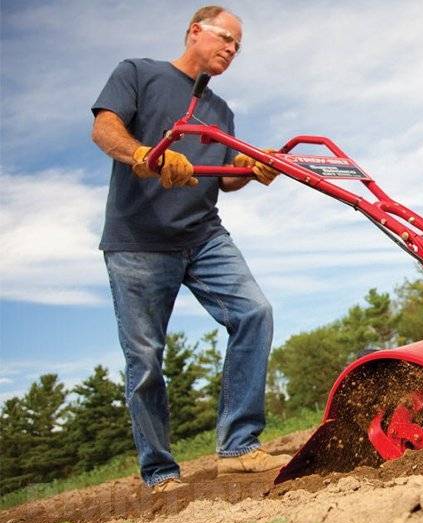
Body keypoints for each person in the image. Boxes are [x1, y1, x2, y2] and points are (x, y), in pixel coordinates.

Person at [91, 5, 288, 493]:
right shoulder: (138, 72)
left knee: (254, 312)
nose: (231, 50)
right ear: (195, 31)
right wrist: (141, 154)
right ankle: (159, 471)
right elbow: (105, 130)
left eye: (238, 47)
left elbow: (225, 180)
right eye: (226, 38)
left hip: (202, 235)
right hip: (138, 240)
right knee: (145, 359)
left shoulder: (221, 112)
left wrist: (251, 168)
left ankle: (239, 446)